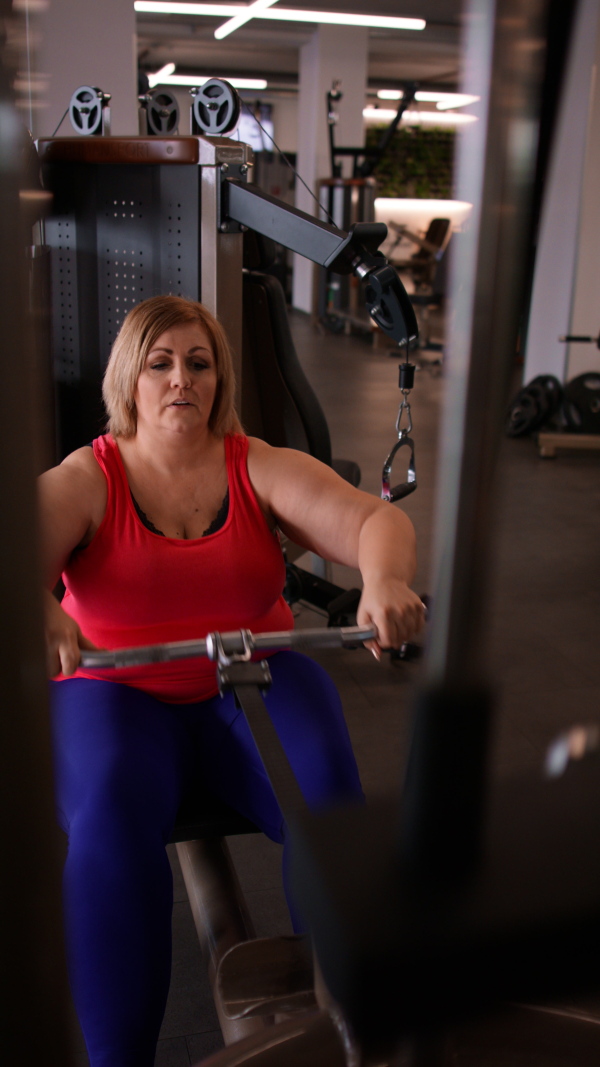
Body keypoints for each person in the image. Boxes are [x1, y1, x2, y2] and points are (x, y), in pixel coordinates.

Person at [39, 295, 424, 1067]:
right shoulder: (91, 475)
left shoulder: (256, 464)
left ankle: (348, 1026)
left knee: (328, 798)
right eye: (160, 363)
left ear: (218, 381)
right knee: (110, 815)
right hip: (117, 691)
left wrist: (383, 580)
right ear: (130, 380)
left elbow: (375, 520)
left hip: (248, 676)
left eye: (199, 363)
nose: (181, 378)